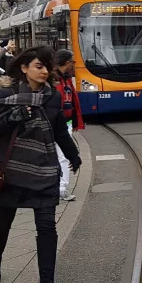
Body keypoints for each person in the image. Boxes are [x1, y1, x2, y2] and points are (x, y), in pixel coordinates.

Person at [0, 46, 81, 283]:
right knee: (3, 222)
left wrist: (73, 156)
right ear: (25, 68)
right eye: (39, 66)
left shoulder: (52, 97)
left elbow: (59, 130)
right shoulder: (9, 93)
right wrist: (12, 118)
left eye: (47, 67)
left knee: (47, 226)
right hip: (13, 170)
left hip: (45, 168)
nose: (44, 71)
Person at [53, 49, 82, 202]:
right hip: (53, 124)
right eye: (72, 62)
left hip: (66, 123)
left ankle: (61, 188)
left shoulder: (67, 78)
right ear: (66, 62)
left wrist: (76, 121)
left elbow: (73, 101)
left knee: (63, 156)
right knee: (57, 156)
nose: (73, 65)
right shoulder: (53, 79)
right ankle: (57, 188)